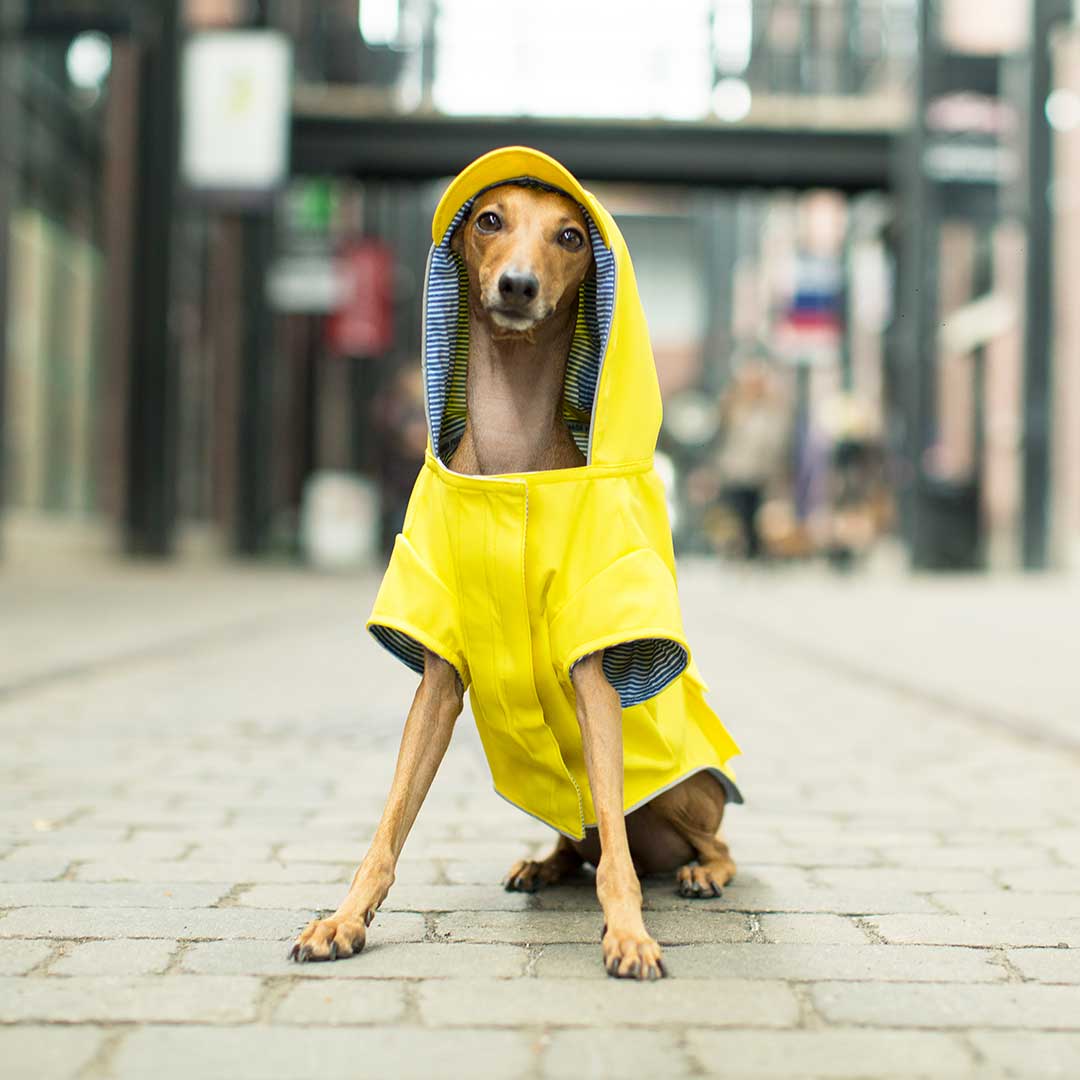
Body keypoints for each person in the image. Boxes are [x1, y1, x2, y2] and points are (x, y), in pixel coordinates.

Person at [716, 362, 790, 560]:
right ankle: (742, 547)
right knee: (738, 510)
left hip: (760, 471)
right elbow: (726, 436)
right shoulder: (736, 407)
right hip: (737, 470)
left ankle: (755, 549)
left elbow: (775, 440)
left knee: (756, 511)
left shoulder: (770, 411)